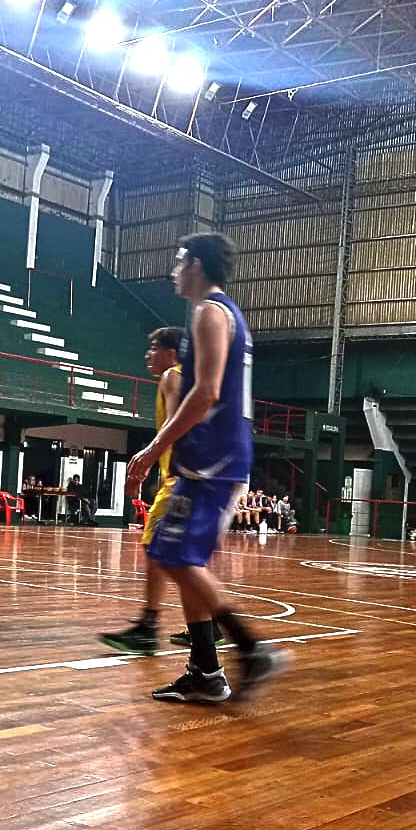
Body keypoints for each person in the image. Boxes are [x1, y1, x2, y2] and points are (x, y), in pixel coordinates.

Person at [102, 233, 286, 703]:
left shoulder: (209, 312)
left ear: (198, 266)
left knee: (171, 554)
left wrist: (152, 449)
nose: (173, 271)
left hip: (213, 459)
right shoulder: (226, 313)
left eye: (179, 261)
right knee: (180, 556)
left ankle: (250, 647)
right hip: (212, 459)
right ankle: (206, 670)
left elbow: (206, 392)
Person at [101, 327, 183, 653]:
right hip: (188, 477)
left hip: (181, 479)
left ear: (172, 354)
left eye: (153, 348)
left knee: (155, 547)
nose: (148, 355)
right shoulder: (191, 378)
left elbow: (176, 424)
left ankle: (149, 626)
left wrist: (146, 457)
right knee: (184, 556)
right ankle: (207, 623)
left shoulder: (173, 377)